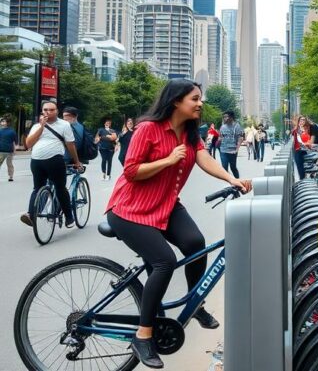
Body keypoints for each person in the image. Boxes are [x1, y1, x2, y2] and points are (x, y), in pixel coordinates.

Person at [104, 79, 252, 368]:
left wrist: (231, 179)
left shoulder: (189, 131)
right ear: (176, 101)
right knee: (164, 262)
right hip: (129, 210)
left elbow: (203, 157)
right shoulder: (148, 129)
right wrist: (168, 160)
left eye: (200, 99)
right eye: (195, 99)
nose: (200, 103)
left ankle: (194, 305)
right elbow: (132, 171)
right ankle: (143, 335)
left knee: (195, 243)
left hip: (165, 205)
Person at [21, 101, 83, 228]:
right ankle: (30, 215)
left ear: (57, 111)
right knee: (38, 188)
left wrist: (76, 161)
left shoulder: (64, 125)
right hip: (36, 161)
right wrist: (41, 127)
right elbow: (28, 144)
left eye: (51, 110)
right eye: (45, 110)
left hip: (54, 160)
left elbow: (70, 144)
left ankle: (69, 217)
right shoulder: (37, 126)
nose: (47, 112)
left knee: (60, 187)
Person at [217, 111, 245, 178]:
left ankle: (238, 182)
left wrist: (237, 149)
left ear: (231, 117)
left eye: (226, 117)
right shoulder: (222, 127)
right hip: (223, 150)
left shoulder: (237, 126)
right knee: (224, 168)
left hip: (232, 150)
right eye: (223, 117)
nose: (224, 118)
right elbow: (220, 136)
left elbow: (240, 138)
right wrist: (219, 141)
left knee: (233, 167)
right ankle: (232, 182)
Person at [0, 116, 16, 181]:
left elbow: (14, 142)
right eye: (1, 121)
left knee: (9, 164)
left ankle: (11, 176)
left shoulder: (12, 131)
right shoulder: (0, 131)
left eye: (3, 121)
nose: (2, 122)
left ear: (7, 123)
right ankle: (11, 176)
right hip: (1, 150)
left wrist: (14, 150)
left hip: (9, 151)